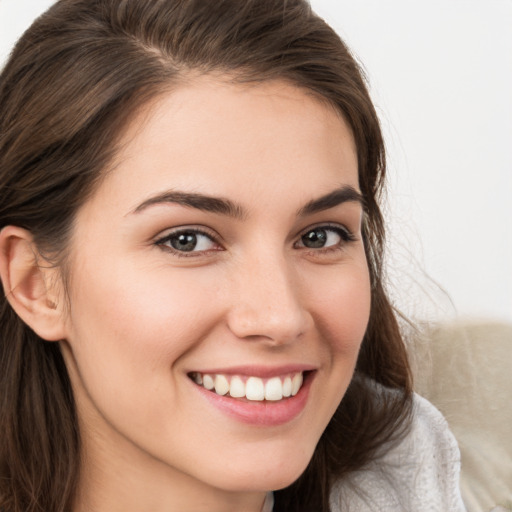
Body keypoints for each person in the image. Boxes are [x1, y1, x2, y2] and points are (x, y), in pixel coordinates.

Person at [0, 1, 466, 511]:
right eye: (187, 240)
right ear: (35, 284)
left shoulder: (404, 479)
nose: (279, 317)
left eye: (319, 236)